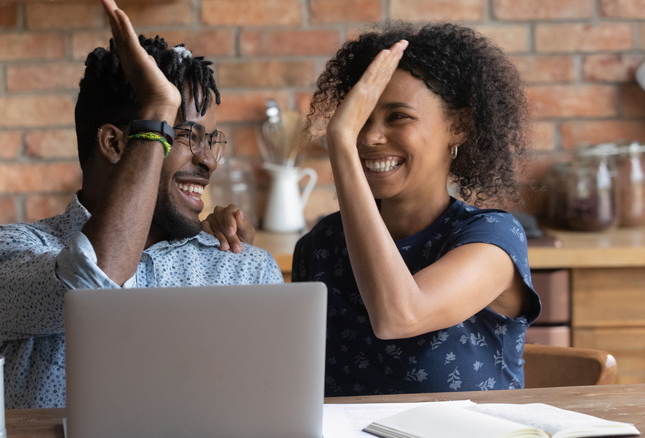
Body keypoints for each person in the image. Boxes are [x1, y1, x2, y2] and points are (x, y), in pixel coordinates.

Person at [0, 0, 282, 410]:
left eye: (210, 139)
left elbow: (270, 407)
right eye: (183, 135)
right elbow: (95, 281)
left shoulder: (244, 268)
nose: (209, 160)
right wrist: (156, 113)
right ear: (114, 144)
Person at [209, 21, 541, 395]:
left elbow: (399, 316)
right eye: (360, 120)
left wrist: (340, 141)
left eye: (398, 116)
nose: (368, 137)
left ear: (459, 125)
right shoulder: (322, 245)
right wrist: (236, 258)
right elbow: (280, 376)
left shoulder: (492, 241)